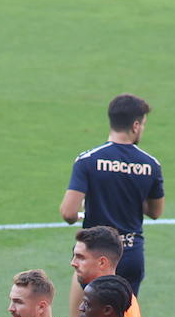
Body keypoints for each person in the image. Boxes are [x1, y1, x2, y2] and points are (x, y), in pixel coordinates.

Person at [59, 94, 165, 296]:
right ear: (135, 125)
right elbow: (156, 211)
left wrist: (85, 210)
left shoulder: (88, 160)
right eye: (143, 124)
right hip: (131, 254)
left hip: (95, 255)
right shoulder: (151, 165)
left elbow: (68, 212)